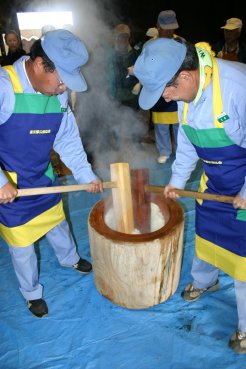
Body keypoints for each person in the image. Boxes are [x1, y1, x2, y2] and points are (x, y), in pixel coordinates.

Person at [134, 38, 246, 354]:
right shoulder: (186, 93)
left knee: (244, 260)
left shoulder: (238, 87)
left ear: (185, 77)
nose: (165, 99)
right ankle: (206, 280)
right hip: (215, 184)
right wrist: (177, 181)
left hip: (243, 186)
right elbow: (187, 143)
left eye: (165, 92)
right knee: (206, 237)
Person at [0, 29, 103, 318]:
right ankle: (32, 293)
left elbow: (67, 139)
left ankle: (69, 258)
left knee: (57, 223)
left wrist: (85, 175)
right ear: (39, 64)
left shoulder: (59, 94)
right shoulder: (5, 86)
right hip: (11, 189)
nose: (62, 89)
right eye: (60, 81)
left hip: (42, 179)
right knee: (22, 248)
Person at [151, 10, 184, 164]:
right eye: (166, 28)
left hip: (178, 89)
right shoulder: (150, 45)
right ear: (158, 26)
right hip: (159, 90)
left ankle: (181, 151)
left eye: (172, 28)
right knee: (161, 125)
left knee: (180, 125)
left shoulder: (181, 43)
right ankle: (164, 151)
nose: (170, 32)